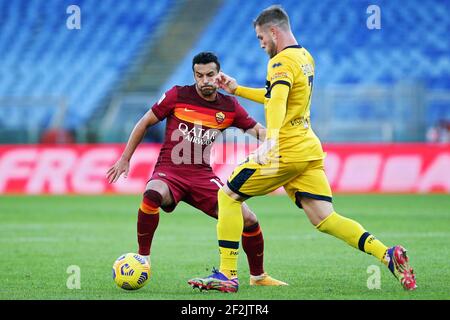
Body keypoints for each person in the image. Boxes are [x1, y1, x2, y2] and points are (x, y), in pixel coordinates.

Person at [188, 5, 416, 292]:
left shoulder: (280, 62)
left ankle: (227, 274)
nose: (260, 44)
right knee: (325, 217)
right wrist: (237, 89)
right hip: (308, 149)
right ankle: (387, 254)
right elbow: (276, 95)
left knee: (228, 195)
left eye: (261, 38)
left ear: (274, 31)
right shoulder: (305, 56)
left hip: (286, 149)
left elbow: (279, 102)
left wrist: (269, 142)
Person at [106, 51, 286, 287]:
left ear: (218, 74)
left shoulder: (229, 106)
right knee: (152, 194)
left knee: (249, 219)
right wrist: (125, 158)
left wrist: (277, 141)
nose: (204, 80)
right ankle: (144, 257)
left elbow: (258, 131)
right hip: (170, 171)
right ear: (194, 75)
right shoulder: (178, 95)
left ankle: (258, 276)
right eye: (199, 75)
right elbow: (145, 122)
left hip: (202, 176)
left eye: (210, 75)